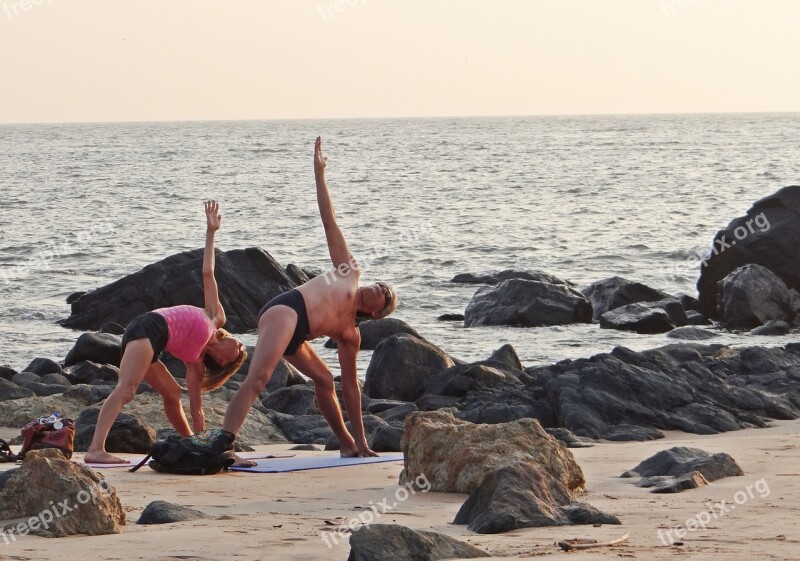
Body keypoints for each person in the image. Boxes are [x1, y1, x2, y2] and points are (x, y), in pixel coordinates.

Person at [223, 137, 398, 458]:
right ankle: (224, 444)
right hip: (285, 311)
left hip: (298, 334)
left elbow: (351, 388)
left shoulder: (349, 335)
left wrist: (364, 442)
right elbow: (329, 220)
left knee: (325, 381)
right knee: (259, 378)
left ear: (376, 314)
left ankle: (348, 444)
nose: (381, 289)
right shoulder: (349, 271)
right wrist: (319, 173)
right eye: (383, 285)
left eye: (385, 296)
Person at [84, 201, 248, 464]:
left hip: (149, 339)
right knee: (126, 389)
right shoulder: (216, 318)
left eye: (240, 352)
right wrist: (211, 233)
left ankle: (192, 447)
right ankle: (95, 449)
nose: (240, 344)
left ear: (223, 361)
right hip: (148, 327)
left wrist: (207, 447)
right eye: (242, 345)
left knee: (172, 393)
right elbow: (208, 273)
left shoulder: (195, 365)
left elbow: (197, 413)